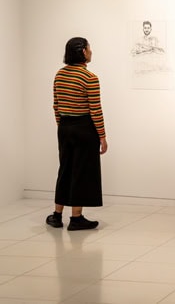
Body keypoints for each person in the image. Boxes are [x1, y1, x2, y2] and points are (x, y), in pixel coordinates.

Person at [46, 37, 108, 231]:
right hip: (83, 127)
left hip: (64, 127)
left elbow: (56, 105)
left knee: (65, 169)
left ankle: (57, 215)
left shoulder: (60, 74)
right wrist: (102, 136)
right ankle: (76, 217)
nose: (91, 52)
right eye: (90, 48)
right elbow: (95, 110)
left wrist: (63, 125)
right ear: (83, 52)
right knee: (81, 171)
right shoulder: (90, 78)